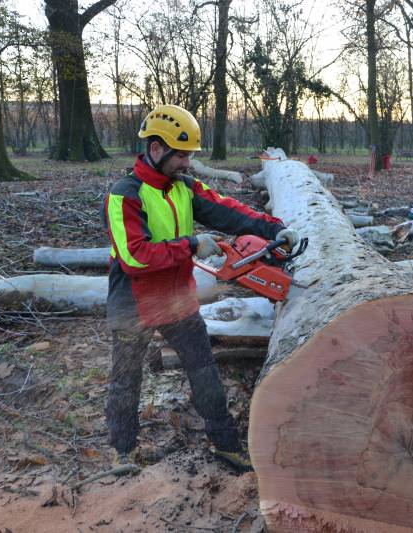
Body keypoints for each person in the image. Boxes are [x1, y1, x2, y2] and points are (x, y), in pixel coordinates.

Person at [102, 104, 299, 472]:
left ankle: (225, 444)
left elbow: (230, 210)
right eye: (181, 155)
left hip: (177, 299)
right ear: (157, 149)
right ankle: (123, 452)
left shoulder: (184, 187)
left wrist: (274, 228)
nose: (187, 163)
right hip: (134, 303)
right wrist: (191, 246)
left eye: (190, 155)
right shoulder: (124, 195)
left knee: (204, 369)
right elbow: (135, 257)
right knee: (126, 380)